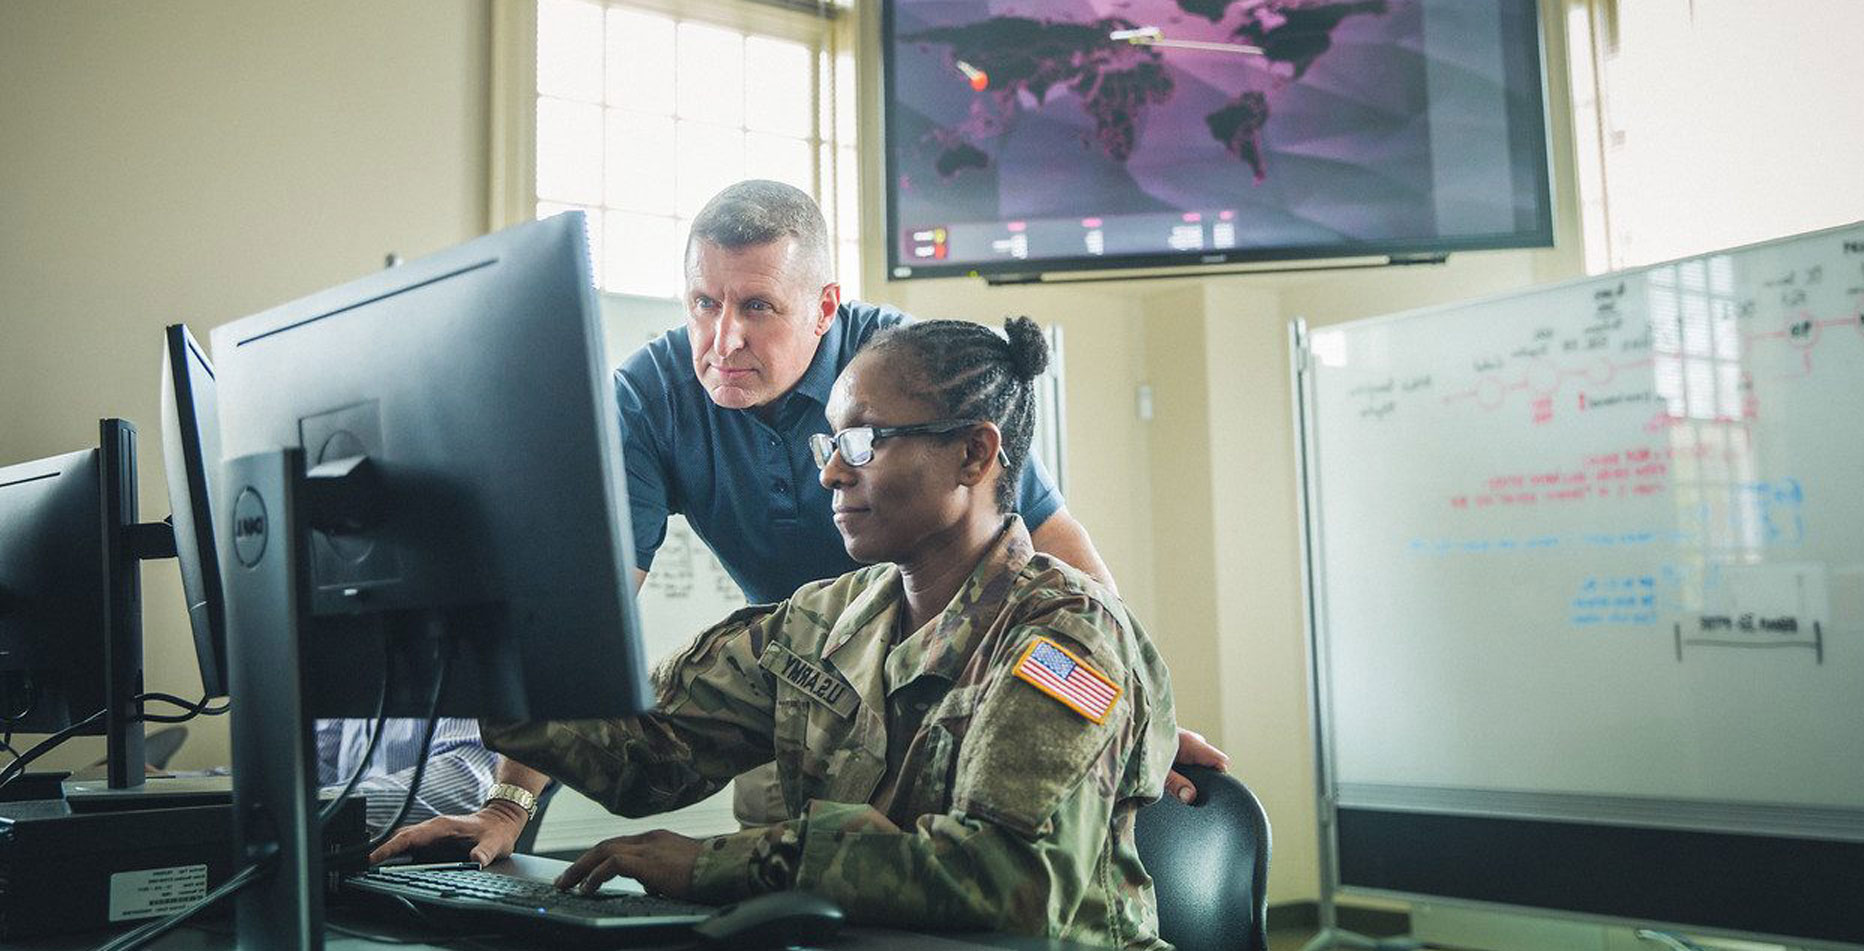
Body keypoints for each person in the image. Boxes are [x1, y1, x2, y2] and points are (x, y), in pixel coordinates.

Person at [371, 179, 1226, 866]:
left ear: (825, 308)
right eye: (703, 304)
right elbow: (603, 664)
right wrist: (487, 721)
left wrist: (1126, 706)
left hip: (978, 707)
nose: (722, 339)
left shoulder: (912, 378)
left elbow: (994, 876)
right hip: (819, 701)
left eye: (757, 308)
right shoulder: (795, 609)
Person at [489, 317, 1176, 948]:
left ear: (973, 453)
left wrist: (716, 863)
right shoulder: (822, 620)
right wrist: (472, 668)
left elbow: (1006, 881)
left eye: (864, 442)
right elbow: (646, 748)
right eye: (831, 441)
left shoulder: (1065, 641)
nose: (830, 472)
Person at [315, 718, 499, 834]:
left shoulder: (454, 660)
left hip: (426, 865)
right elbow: (316, 764)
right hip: (348, 858)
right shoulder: (355, 665)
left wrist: (328, 808)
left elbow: (467, 782)